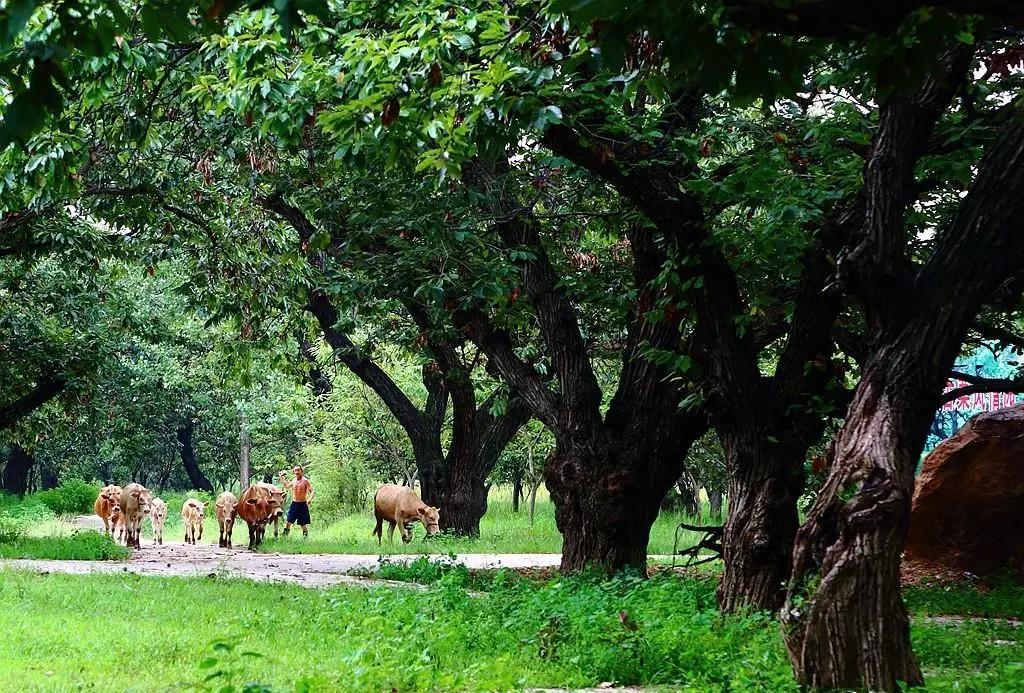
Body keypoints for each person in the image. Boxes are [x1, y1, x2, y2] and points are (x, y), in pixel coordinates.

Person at [279, 466, 315, 537]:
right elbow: (286, 486)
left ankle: (305, 538)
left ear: (302, 471)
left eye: (298, 470)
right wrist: (281, 477)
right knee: (289, 521)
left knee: (303, 524)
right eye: (295, 471)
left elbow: (312, 491)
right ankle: (284, 537)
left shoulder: (305, 481)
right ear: (294, 472)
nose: (297, 472)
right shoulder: (294, 480)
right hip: (294, 503)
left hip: (303, 504)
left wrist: (310, 499)